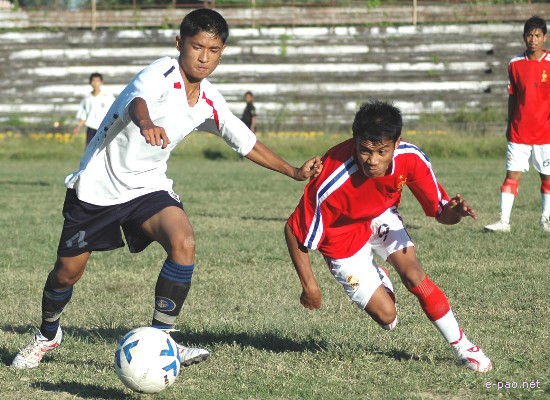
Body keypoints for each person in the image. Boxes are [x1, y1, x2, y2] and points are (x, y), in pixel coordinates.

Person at [11, 9, 322, 370]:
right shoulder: (160, 72)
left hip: (148, 187)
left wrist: (293, 171)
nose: (204, 57)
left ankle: (162, 340)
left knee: (183, 241)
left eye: (214, 50)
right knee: (67, 272)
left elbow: (244, 140)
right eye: (197, 46)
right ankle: (48, 335)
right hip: (99, 187)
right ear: (180, 44)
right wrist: (146, 124)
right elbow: (135, 103)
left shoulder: (209, 99)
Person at [284, 100, 493, 373]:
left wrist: (456, 213)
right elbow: (293, 229)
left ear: (396, 143)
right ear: (355, 140)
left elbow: (441, 212)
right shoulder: (330, 178)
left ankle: (464, 348)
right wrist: (310, 286)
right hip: (341, 238)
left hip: (380, 215)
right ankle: (379, 277)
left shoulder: (411, 159)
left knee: (414, 275)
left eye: (382, 152)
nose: (372, 160)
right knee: (388, 318)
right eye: (365, 151)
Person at [485, 16, 550, 233]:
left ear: (544, 38)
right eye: (529, 35)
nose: (533, 39)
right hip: (519, 131)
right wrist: (508, 124)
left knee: (547, 177)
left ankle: (545, 220)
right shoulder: (514, 64)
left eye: (537, 35)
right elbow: (512, 97)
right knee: (511, 176)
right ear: (524, 37)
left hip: (545, 133)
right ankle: (504, 221)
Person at [73, 72, 116, 146]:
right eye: (93, 81)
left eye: (97, 81)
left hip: (104, 127)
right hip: (91, 127)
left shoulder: (108, 96)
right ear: (90, 82)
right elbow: (84, 114)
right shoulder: (87, 98)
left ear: (101, 82)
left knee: (104, 148)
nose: (95, 83)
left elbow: (115, 110)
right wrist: (78, 127)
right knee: (90, 149)